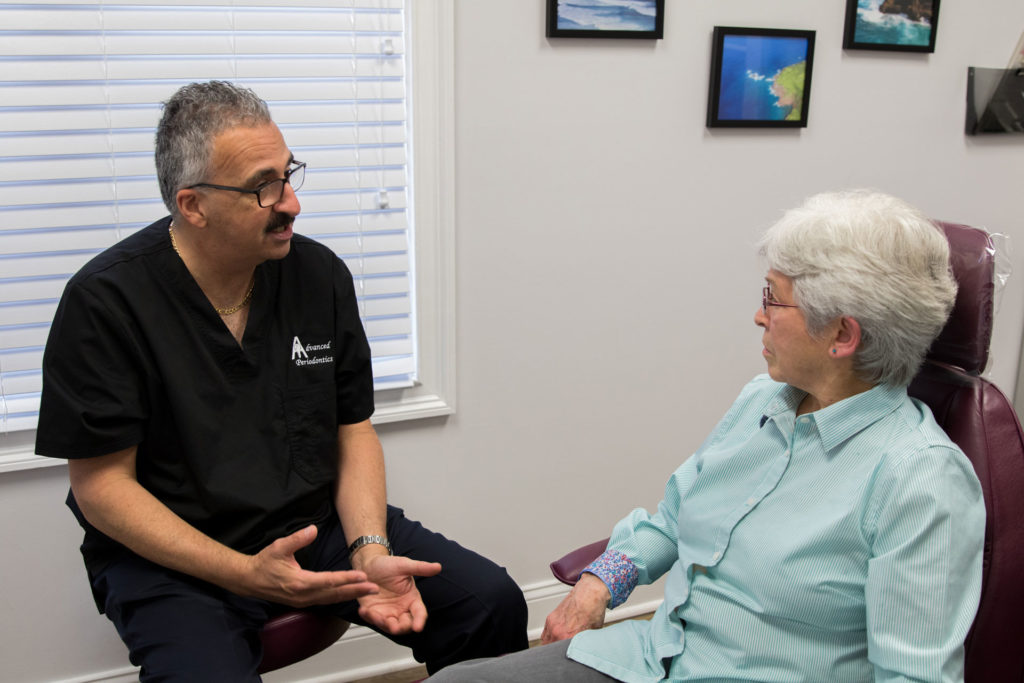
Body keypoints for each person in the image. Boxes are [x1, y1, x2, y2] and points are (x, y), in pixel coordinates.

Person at [35, 80, 527, 681]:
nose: (291, 202)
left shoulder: (317, 275)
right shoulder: (106, 302)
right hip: (173, 557)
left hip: (310, 525)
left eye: (289, 174)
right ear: (193, 205)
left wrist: (369, 548)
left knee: (490, 604)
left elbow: (353, 430)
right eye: (263, 187)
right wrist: (245, 573)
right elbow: (101, 488)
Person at [429, 190, 986, 683]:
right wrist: (599, 586)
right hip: (652, 658)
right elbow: (674, 518)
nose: (758, 316)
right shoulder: (761, 402)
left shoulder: (919, 479)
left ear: (841, 333)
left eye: (773, 297)